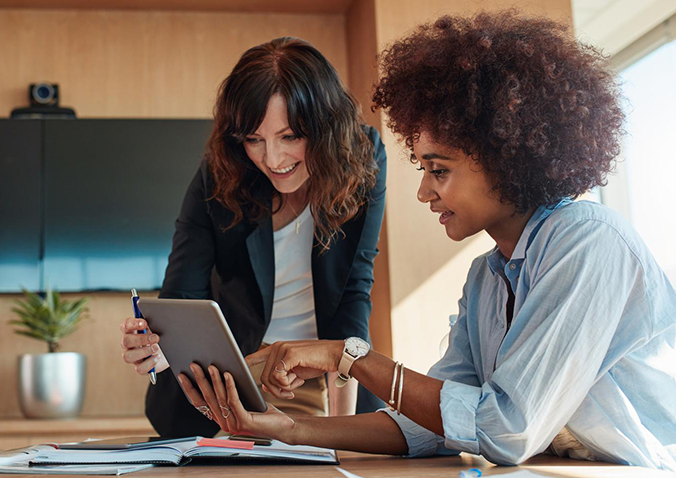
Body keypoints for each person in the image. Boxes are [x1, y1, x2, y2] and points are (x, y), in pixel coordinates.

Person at [183, 11, 676, 470]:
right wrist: (291, 430)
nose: (423, 191)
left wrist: (345, 356)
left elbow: (504, 428)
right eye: (423, 168)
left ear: (507, 156)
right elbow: (433, 425)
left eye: (438, 170)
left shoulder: (589, 242)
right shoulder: (485, 278)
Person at [119, 36, 388, 438]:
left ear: (326, 127)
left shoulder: (362, 158)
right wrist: (157, 348)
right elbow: (182, 296)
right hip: (228, 385)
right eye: (254, 139)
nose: (273, 160)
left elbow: (354, 290)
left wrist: (342, 430)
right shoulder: (220, 171)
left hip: (326, 379)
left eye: (291, 136)